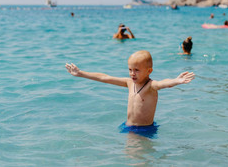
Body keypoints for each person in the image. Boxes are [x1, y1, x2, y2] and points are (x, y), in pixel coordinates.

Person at [65, 50, 195, 137]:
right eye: (130, 69)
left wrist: (176, 80)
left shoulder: (150, 86)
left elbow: (163, 83)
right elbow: (104, 77)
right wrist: (81, 73)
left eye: (137, 70)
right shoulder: (129, 83)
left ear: (149, 70)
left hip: (144, 129)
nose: (132, 73)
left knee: (137, 158)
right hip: (128, 125)